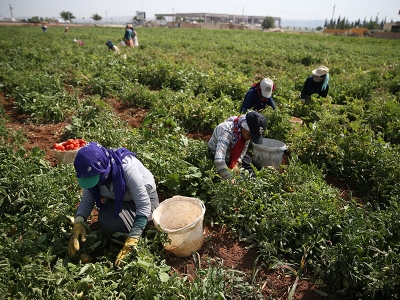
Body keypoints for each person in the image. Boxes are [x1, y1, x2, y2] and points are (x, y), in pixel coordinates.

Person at [68, 142, 159, 266]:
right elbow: (87, 200)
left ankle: (136, 239)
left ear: (103, 169)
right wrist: (78, 222)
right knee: (107, 222)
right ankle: (129, 231)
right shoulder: (90, 170)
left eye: (95, 179)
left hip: (145, 198)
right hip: (118, 197)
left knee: (149, 230)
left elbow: (143, 204)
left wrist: (133, 236)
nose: (93, 184)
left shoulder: (126, 166)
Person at [208, 111, 266, 181]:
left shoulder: (244, 132)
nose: (250, 139)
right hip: (218, 154)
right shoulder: (226, 131)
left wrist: (236, 163)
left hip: (233, 153)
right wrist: (230, 180)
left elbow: (244, 149)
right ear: (244, 126)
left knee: (257, 168)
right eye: (250, 135)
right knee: (239, 178)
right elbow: (219, 160)